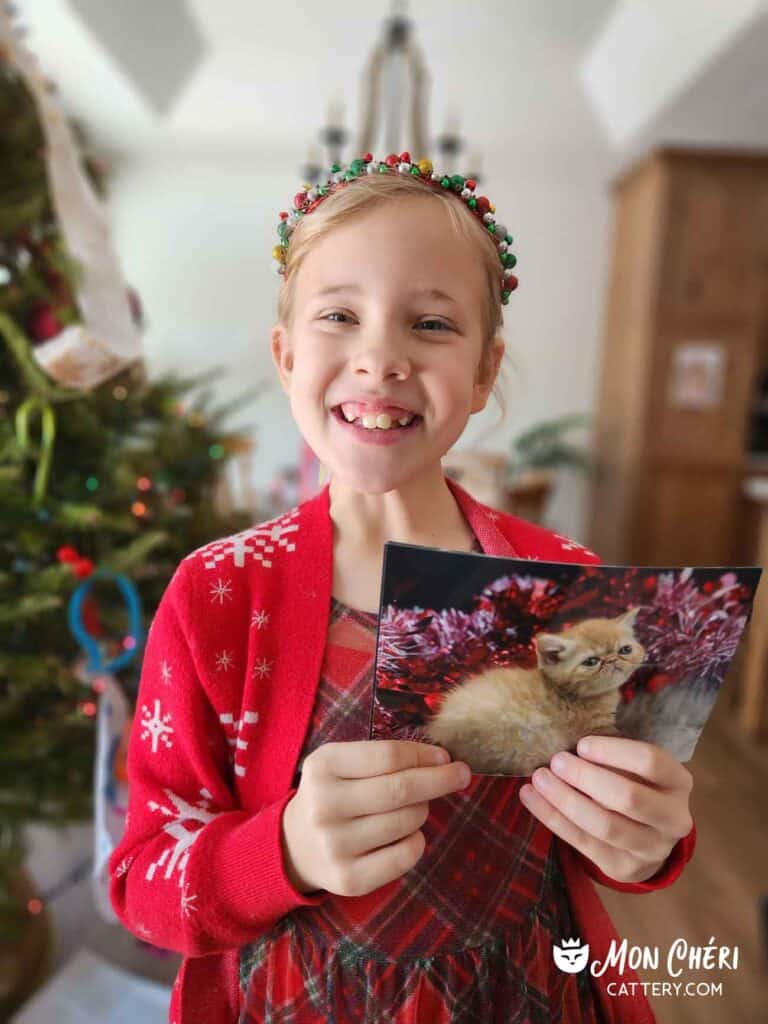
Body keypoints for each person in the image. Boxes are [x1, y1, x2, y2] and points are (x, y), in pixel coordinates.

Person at [109, 153, 696, 1024]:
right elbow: (142, 880)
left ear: (486, 372)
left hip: (526, 992)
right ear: (286, 353)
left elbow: (620, 814)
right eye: (340, 316)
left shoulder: (561, 580)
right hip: (302, 997)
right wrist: (286, 850)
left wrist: (650, 841)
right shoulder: (219, 595)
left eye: (430, 324)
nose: (379, 356)